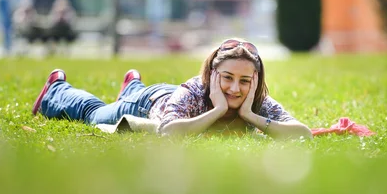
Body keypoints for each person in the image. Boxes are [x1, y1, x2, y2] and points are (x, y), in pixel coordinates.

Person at [32, 38, 314, 140]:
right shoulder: (193, 90)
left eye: (244, 81)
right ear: (213, 73)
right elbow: (168, 132)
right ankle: (56, 90)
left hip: (161, 95)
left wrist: (252, 117)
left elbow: (303, 135)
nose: (235, 88)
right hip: (147, 104)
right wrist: (218, 110)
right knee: (93, 114)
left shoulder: (256, 100)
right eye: (227, 77)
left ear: (256, 80)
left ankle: (132, 84)